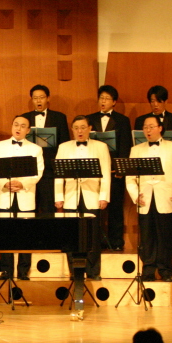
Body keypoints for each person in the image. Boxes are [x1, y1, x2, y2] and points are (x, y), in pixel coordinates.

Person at [127, 115, 172, 282]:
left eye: (151, 126)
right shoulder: (136, 149)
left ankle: (165, 270)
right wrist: (135, 195)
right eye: (145, 127)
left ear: (160, 128)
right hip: (144, 197)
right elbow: (130, 177)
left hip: (166, 196)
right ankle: (148, 270)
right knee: (147, 236)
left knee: (165, 236)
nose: (148, 130)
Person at [55, 115, 111, 280]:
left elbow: (106, 173)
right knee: (71, 235)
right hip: (71, 195)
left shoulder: (101, 147)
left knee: (92, 235)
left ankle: (93, 271)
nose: (79, 131)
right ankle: (74, 271)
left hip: (92, 195)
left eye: (83, 127)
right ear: (72, 130)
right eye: (76, 128)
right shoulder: (64, 147)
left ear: (90, 129)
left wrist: (104, 196)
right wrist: (59, 197)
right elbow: (59, 175)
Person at [134, 85, 172, 252]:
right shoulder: (141, 123)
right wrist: (135, 194)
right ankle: (148, 263)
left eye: (158, 101)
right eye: (152, 101)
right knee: (147, 235)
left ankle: (168, 259)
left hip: (167, 187)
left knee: (167, 230)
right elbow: (132, 174)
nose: (155, 104)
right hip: (146, 190)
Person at [0, 115, 43, 280]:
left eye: (22, 126)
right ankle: (6, 270)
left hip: (25, 195)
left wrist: (22, 184)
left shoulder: (36, 149)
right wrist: (5, 184)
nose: (18, 128)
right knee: (4, 234)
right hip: (5, 195)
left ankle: (23, 271)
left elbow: (38, 173)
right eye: (16, 125)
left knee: (26, 234)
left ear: (28, 130)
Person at [86, 85, 132, 251]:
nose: (103, 101)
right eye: (101, 98)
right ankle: (93, 241)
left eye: (107, 98)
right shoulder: (89, 119)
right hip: (93, 171)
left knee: (115, 208)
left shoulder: (122, 120)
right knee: (93, 207)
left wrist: (120, 169)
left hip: (113, 171)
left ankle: (116, 242)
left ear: (114, 102)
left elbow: (126, 146)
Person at [22, 84, 70, 213]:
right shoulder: (24, 118)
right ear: (32, 99)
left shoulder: (59, 117)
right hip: (29, 169)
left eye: (42, 97)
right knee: (28, 207)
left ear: (48, 98)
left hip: (49, 169)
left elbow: (64, 143)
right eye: (35, 98)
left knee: (48, 208)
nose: (38, 100)